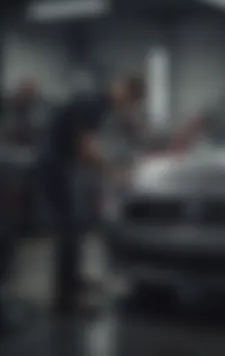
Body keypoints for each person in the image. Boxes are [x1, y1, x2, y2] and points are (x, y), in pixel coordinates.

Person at [38, 75, 145, 315]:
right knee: (70, 232)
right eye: (130, 101)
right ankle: (65, 301)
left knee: (75, 227)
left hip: (61, 164)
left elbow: (86, 147)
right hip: (56, 166)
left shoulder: (97, 101)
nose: (125, 108)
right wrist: (113, 171)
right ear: (124, 91)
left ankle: (73, 281)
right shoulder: (95, 104)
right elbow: (85, 147)